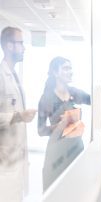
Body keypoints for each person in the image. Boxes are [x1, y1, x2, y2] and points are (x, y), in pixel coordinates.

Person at [37, 56, 90, 191]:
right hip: (57, 152)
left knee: (76, 191)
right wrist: (59, 126)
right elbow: (41, 130)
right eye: (66, 68)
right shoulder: (47, 98)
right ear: (55, 73)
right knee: (56, 191)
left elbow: (95, 100)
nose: (70, 71)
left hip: (76, 148)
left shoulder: (75, 92)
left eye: (71, 68)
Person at [0, 26, 37, 202]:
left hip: (16, 159)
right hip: (5, 162)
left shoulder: (13, 75)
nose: (24, 47)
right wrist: (18, 116)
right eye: (20, 43)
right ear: (8, 45)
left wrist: (21, 116)